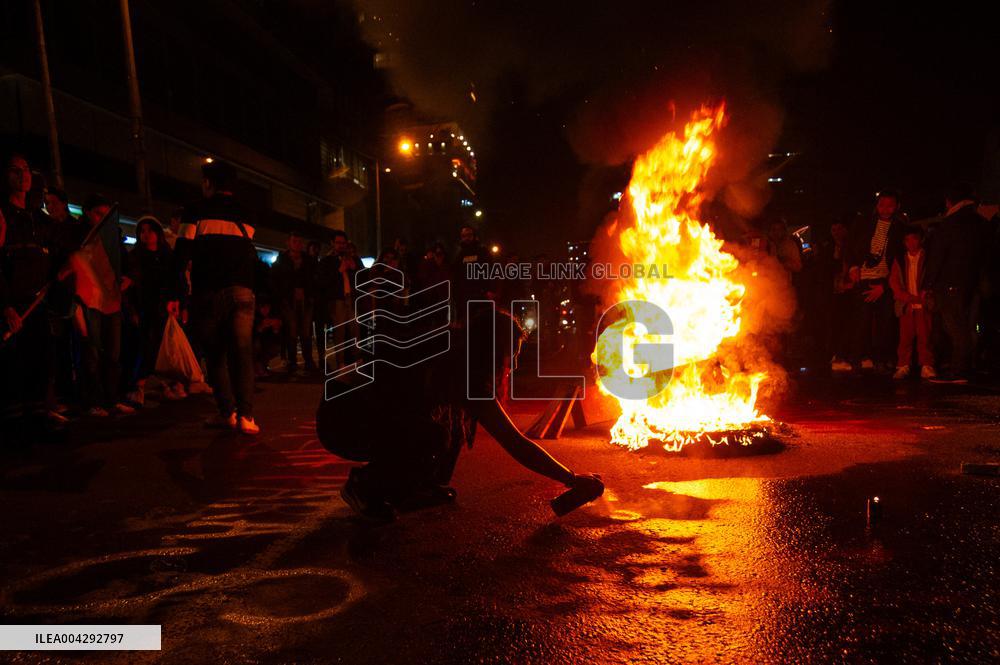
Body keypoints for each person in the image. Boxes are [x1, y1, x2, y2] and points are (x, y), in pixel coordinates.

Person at [317, 307, 603, 523]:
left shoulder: (457, 349)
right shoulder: (464, 371)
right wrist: (570, 478)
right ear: (490, 349)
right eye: (511, 355)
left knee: (445, 425)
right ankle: (363, 487)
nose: (513, 365)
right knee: (432, 433)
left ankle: (418, 486)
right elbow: (514, 442)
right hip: (344, 417)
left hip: (351, 409)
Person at [177, 161, 260, 434]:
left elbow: (181, 253)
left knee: (216, 355)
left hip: (209, 291)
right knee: (243, 352)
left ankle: (227, 412)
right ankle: (246, 417)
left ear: (209, 183)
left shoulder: (195, 209)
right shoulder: (246, 214)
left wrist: (177, 292)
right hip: (243, 290)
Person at [0, 154, 58, 436]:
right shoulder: (2, 214)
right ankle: (15, 424)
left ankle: (38, 417)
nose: (22, 175)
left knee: (41, 359)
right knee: (14, 365)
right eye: (15, 170)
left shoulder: (39, 219)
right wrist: (6, 305)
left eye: (26, 169)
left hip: (39, 302)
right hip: (14, 305)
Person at [72, 194, 134, 416]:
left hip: (111, 302)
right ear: (87, 213)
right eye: (99, 213)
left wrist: (127, 278)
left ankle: (111, 398)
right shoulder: (78, 236)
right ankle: (92, 401)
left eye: (106, 215)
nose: (102, 218)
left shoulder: (112, 238)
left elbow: (126, 266)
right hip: (89, 301)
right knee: (92, 352)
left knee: (113, 353)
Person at [922, 183, 989, 382]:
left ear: (949, 201)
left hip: (951, 283)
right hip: (974, 284)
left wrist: (928, 284)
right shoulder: (982, 223)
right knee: (968, 325)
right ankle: (968, 365)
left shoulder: (949, 224)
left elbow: (937, 257)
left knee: (955, 326)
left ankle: (960, 369)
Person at [123, 216, 184, 404]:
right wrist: (132, 310)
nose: (146, 235)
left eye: (150, 230)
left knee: (165, 347)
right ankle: (139, 386)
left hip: (165, 309)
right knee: (146, 346)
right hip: (145, 309)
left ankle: (168, 383)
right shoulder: (135, 257)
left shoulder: (168, 256)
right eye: (142, 231)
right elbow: (132, 287)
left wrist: (180, 302)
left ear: (158, 233)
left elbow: (177, 281)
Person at [848, 190, 906, 371]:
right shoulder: (864, 222)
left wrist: (885, 285)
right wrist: (852, 267)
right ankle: (857, 358)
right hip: (864, 278)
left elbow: (899, 259)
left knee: (885, 324)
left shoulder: (900, 227)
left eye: (890, 205)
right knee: (861, 322)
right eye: (882, 204)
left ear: (896, 206)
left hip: (885, 281)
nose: (885, 209)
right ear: (876, 205)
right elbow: (850, 245)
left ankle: (882, 358)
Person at [889, 226, 935, 380]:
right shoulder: (901, 259)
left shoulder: (928, 258)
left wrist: (926, 297)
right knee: (905, 338)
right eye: (907, 240)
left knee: (925, 336)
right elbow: (894, 282)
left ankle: (926, 365)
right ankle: (903, 365)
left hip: (923, 304)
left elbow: (932, 278)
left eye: (914, 238)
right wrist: (906, 298)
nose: (911, 243)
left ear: (921, 239)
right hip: (907, 305)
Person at [272, 232, 318, 372]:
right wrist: (283, 296)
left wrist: (310, 294)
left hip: (305, 298)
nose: (297, 244)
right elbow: (276, 280)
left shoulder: (308, 260)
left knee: (305, 331)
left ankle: (307, 360)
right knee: (292, 330)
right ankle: (292, 361)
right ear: (288, 243)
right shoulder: (282, 260)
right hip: (289, 299)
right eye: (294, 241)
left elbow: (314, 278)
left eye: (299, 241)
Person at [317, 230, 358, 370]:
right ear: (332, 243)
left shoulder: (351, 257)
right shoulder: (327, 260)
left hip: (351, 298)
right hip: (337, 300)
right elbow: (323, 282)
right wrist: (339, 271)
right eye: (338, 243)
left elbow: (362, 275)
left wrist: (354, 267)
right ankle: (341, 362)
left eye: (343, 243)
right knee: (339, 331)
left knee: (354, 329)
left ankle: (356, 358)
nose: (341, 246)